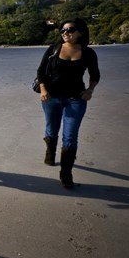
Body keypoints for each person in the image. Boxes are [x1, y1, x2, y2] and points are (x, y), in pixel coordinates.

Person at [37, 18, 100, 189]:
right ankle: (50, 153)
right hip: (51, 98)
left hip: (76, 99)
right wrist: (43, 90)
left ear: (80, 32)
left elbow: (95, 75)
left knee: (70, 136)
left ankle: (66, 174)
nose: (65, 33)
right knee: (51, 129)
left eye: (70, 30)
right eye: (63, 30)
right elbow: (41, 71)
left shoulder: (88, 53)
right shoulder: (54, 49)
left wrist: (90, 90)